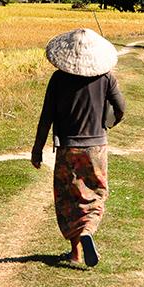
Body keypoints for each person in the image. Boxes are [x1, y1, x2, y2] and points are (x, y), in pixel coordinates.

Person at [31, 28, 126, 267]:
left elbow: (46, 117)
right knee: (96, 192)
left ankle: (75, 252)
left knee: (69, 197)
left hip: (67, 148)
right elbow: (121, 108)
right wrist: (107, 124)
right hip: (97, 147)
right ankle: (88, 231)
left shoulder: (58, 79)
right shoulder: (106, 78)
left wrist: (37, 149)